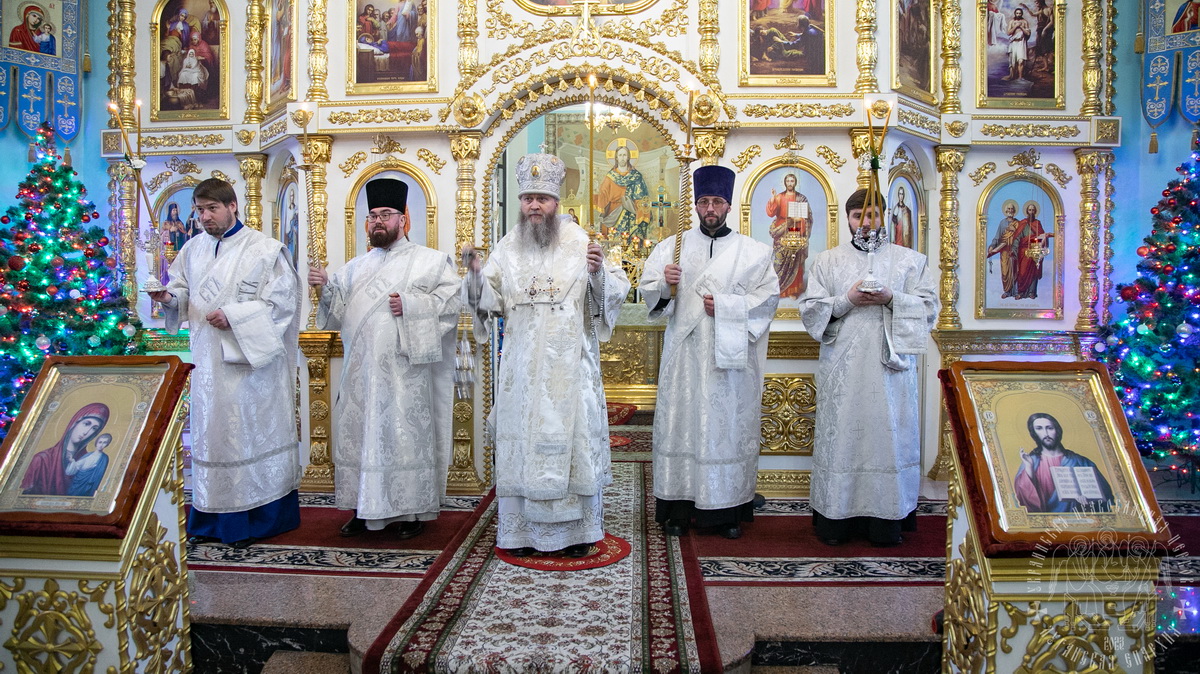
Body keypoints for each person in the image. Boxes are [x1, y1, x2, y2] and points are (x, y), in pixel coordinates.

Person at [463, 153, 631, 558]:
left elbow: (613, 293)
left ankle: (576, 534)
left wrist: (597, 273)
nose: (534, 205)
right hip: (522, 368)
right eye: (527, 199)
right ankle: (520, 533)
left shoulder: (581, 242)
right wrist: (473, 276)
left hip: (569, 367)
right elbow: (491, 299)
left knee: (570, 445)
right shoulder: (508, 246)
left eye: (542, 198)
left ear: (556, 202)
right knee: (523, 444)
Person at [148, 178, 302, 549]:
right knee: (213, 435)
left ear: (233, 206)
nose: (204, 217)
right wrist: (168, 297)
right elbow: (183, 293)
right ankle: (212, 518)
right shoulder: (193, 249)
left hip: (250, 367)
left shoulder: (265, 250)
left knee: (246, 435)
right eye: (199, 210)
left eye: (212, 209)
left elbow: (283, 303)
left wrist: (234, 316)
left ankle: (258, 519)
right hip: (207, 361)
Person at [308, 178, 460, 540]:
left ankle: (410, 512)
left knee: (403, 437)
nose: (378, 221)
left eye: (386, 215)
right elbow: (337, 313)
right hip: (361, 376)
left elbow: (451, 306)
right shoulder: (354, 268)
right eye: (372, 215)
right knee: (362, 438)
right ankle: (362, 509)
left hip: (405, 375)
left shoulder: (432, 262)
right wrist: (324, 287)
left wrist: (410, 306)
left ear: (404, 219)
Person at [641, 165, 781, 540]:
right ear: (697, 206)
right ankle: (677, 508)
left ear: (728, 206)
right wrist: (665, 286)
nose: (710, 208)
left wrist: (729, 306)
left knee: (726, 430)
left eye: (717, 201)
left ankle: (727, 510)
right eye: (703, 201)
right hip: (684, 358)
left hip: (728, 363)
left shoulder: (753, 252)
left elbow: (768, 298)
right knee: (681, 428)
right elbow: (651, 296)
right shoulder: (671, 247)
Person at [799, 188, 938, 547]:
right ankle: (836, 521)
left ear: (885, 217)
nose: (865, 222)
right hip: (842, 371)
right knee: (844, 439)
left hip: (891, 372)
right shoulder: (826, 261)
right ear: (847, 219)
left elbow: (929, 311)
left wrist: (892, 298)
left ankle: (886, 522)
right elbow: (811, 311)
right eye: (858, 215)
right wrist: (848, 300)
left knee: (887, 439)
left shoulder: (911, 261)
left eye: (872, 215)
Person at [1013, 413, 1114, 513]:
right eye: (1039, 428)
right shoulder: (1031, 462)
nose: (1046, 433)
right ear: (1034, 433)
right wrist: (1029, 468)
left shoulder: (1081, 462)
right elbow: (1024, 499)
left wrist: (1089, 502)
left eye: (1050, 428)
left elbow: (1106, 497)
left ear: (1057, 430)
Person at [20, 403, 110, 496]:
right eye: (86, 424)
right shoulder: (42, 459)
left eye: (94, 429)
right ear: (74, 423)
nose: (86, 432)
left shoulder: (88, 460)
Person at [988, 201, 1051, 299]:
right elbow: (1017, 238)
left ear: (1035, 212)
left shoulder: (1037, 223)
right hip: (1022, 252)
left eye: (1033, 210)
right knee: (1021, 272)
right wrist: (1014, 249)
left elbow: (1042, 237)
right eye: (1029, 210)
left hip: (1034, 251)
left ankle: (1031, 292)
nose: (1031, 212)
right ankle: (1019, 292)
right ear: (1026, 211)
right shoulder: (1022, 223)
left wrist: (1040, 243)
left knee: (1033, 271)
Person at [765, 172, 810, 298]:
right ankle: (779, 288)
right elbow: (771, 213)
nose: (790, 183)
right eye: (788, 181)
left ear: (795, 182)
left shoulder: (801, 198)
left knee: (795, 259)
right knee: (780, 261)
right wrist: (773, 198)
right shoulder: (779, 197)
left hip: (795, 229)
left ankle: (793, 290)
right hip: (781, 230)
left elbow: (808, 217)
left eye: (792, 181)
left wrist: (799, 219)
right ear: (785, 183)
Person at [594, 143, 652, 242]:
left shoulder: (636, 176)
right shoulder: (610, 176)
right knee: (616, 240)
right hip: (614, 213)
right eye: (620, 155)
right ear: (616, 157)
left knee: (632, 241)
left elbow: (642, 198)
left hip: (632, 212)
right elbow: (603, 195)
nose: (622, 158)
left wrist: (634, 206)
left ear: (628, 157)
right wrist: (595, 193)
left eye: (624, 155)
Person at [66, 433, 111, 498]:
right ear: (96, 442)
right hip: (78, 481)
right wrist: (72, 461)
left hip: (88, 484)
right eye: (100, 442)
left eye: (104, 443)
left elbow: (99, 474)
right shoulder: (88, 455)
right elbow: (77, 466)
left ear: (107, 444)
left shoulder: (104, 458)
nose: (101, 445)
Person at [1005, 8, 1031, 81]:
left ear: (1022, 14)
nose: (1018, 15)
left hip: (1021, 43)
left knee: (1021, 61)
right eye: (1017, 13)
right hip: (1014, 43)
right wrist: (1016, 26)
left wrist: (1021, 27)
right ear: (1015, 14)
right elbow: (1008, 33)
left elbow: (1028, 33)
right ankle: (1014, 76)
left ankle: (1020, 77)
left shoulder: (1025, 22)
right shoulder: (1012, 22)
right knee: (1013, 62)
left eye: (1020, 13)